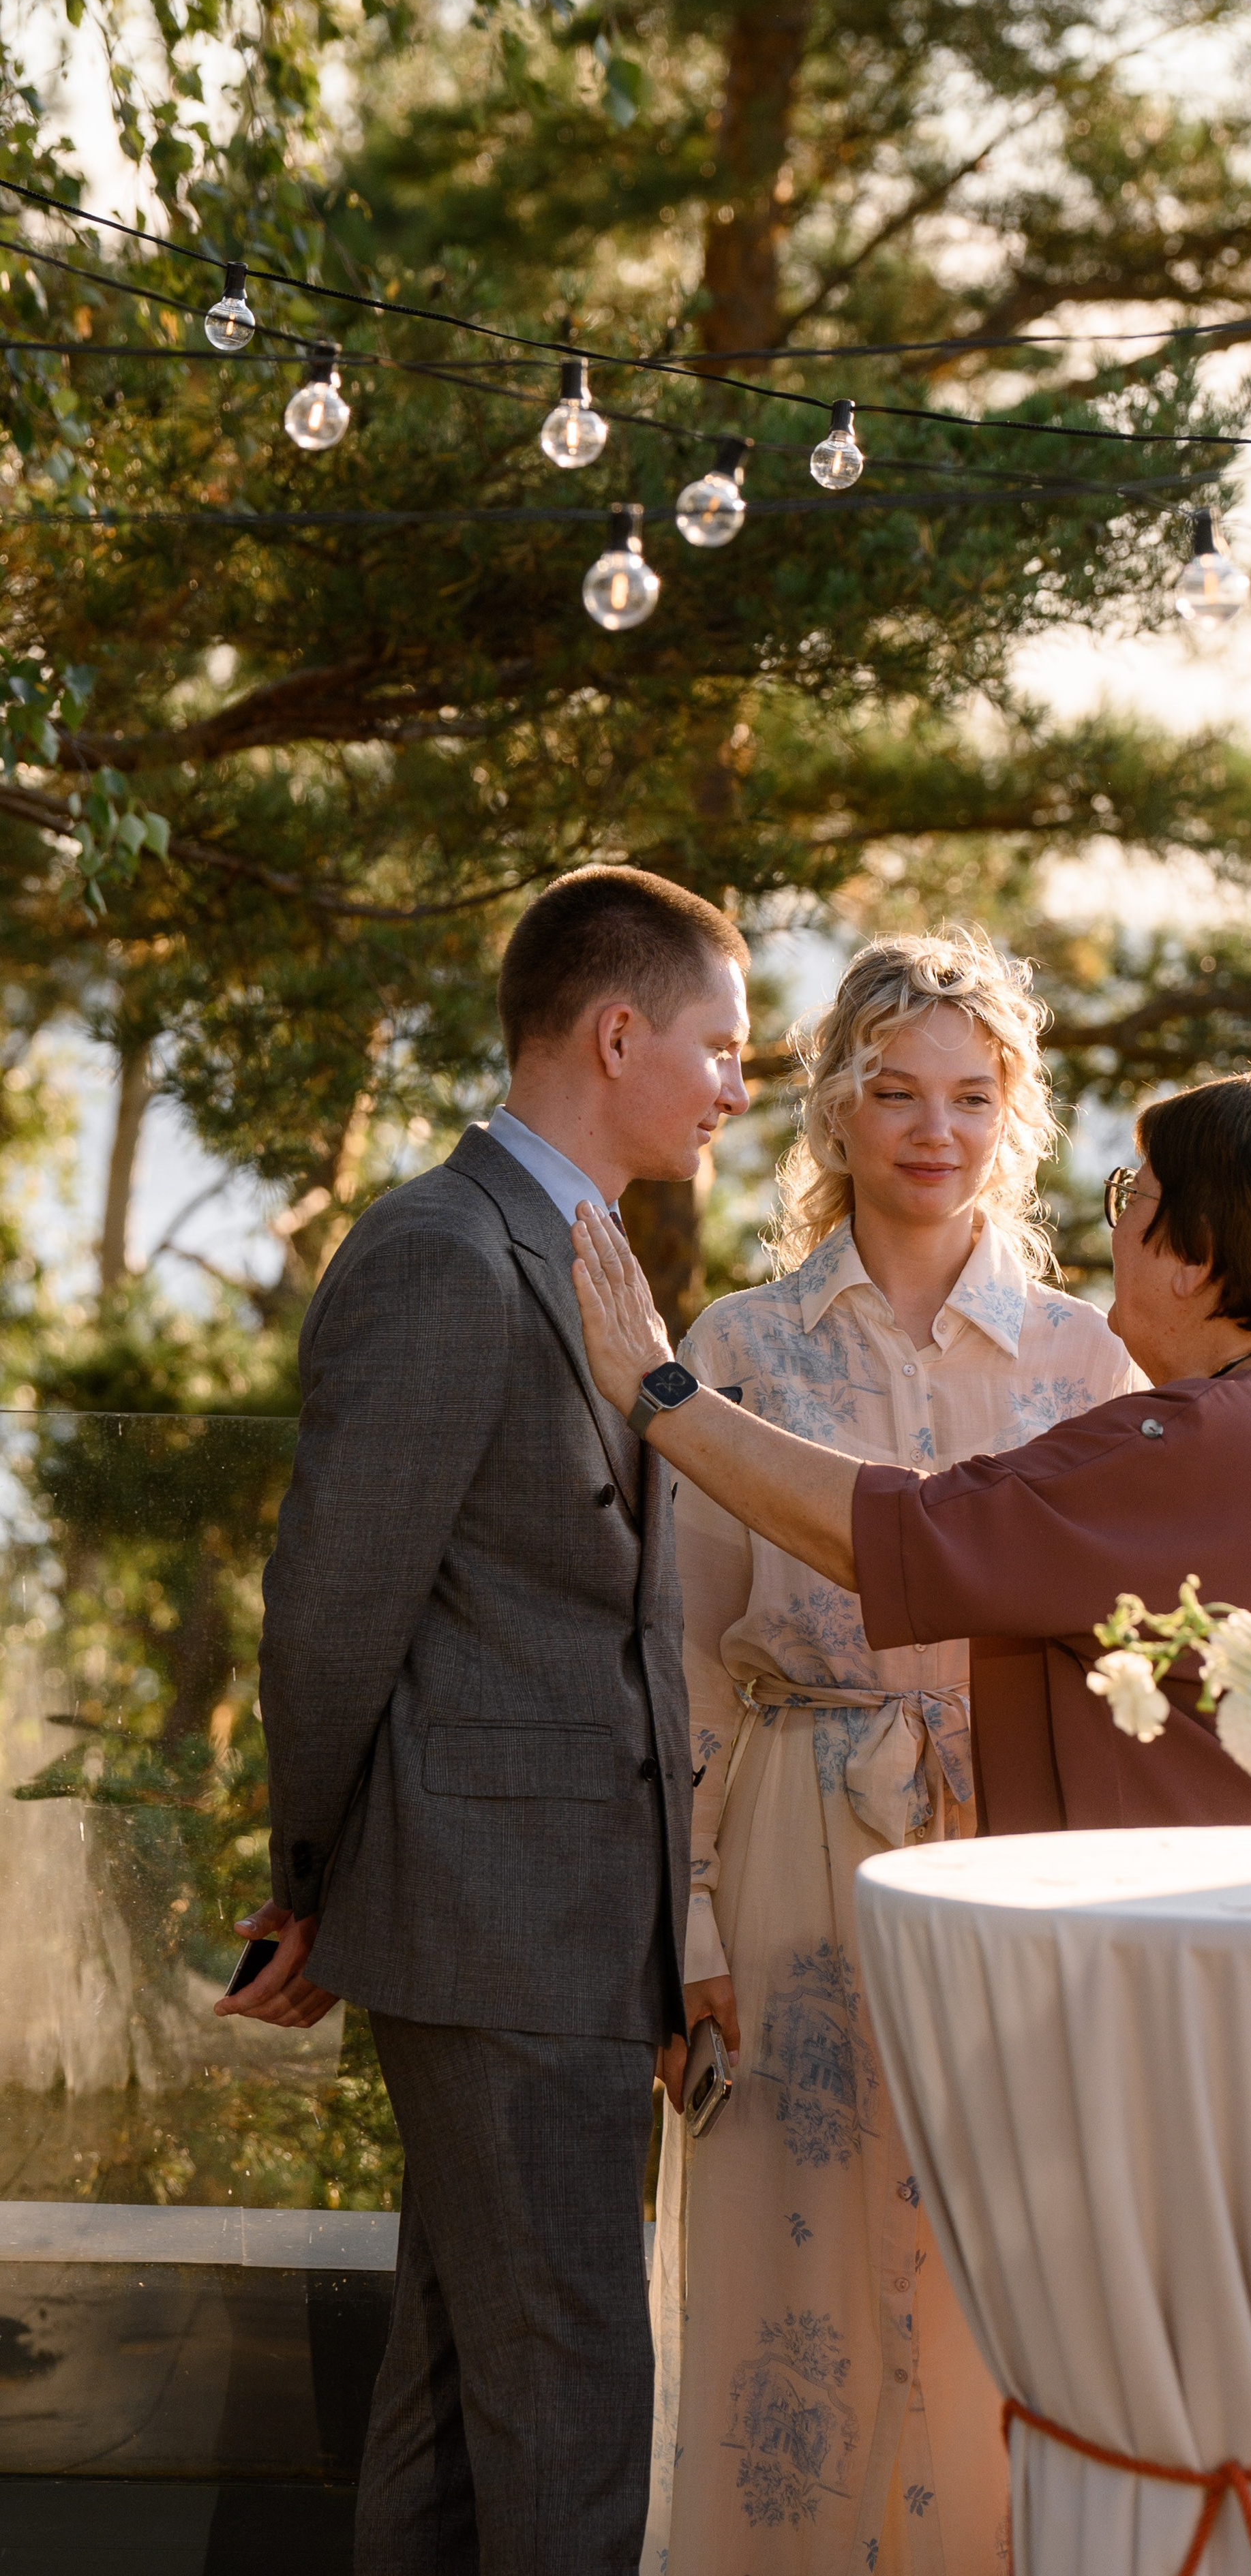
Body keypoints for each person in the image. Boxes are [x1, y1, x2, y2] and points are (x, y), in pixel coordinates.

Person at [219, 865, 751, 2576]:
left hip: (556, 1933)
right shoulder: (443, 1251)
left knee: (457, 2405)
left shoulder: (584, 1254)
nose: (737, 1086)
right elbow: (330, 1608)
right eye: (720, 1047)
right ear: (617, 1034)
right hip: (493, 1925)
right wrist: (314, 1875)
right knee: (577, 2397)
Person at [646, 930, 1137, 2576]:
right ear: (833, 1111)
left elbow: (1133, 1658)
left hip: (1013, 1860)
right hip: (790, 1831)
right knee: (784, 2279)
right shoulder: (736, 1345)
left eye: (972, 1096)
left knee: (994, 2273)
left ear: (1019, 1117)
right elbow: (679, 1661)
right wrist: (692, 1926)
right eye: (896, 1092)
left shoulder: (1084, 1363)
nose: (935, 1130)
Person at [568, 1065, 1251, 1835]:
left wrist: (660, 1389)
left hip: (1169, 1948)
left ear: (1193, 1257)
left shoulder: (1192, 1448)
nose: (1116, 1228)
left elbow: (900, 1536)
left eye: (1133, 1198)